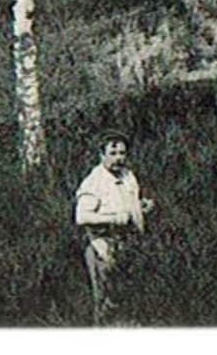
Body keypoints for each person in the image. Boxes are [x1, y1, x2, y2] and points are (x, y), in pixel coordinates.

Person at [73, 129, 154, 324]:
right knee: (107, 301)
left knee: (130, 298)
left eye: (122, 153)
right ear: (102, 155)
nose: (118, 158)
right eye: (113, 153)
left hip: (129, 244)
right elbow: (82, 217)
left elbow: (125, 201)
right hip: (103, 247)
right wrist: (116, 218)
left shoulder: (127, 176)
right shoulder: (93, 183)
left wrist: (141, 206)